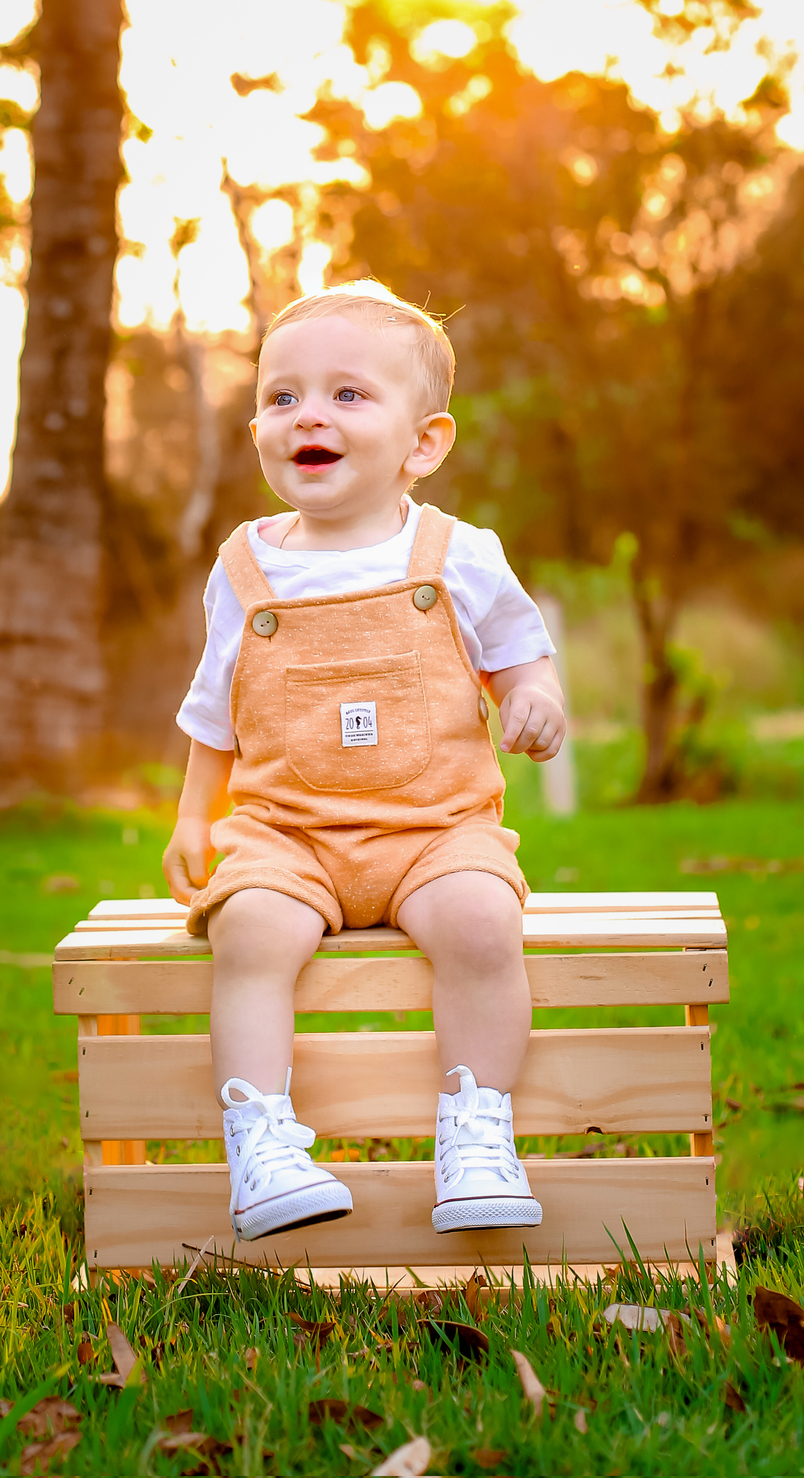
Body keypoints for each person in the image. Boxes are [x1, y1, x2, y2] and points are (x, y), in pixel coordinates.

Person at [163, 279, 567, 1243]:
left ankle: (477, 1130)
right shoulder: (245, 567)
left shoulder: (458, 555)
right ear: (260, 431)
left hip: (437, 831)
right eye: (282, 396)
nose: (308, 414)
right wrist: (191, 816)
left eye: (348, 394)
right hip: (286, 835)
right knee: (248, 932)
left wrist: (536, 698)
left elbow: (523, 654)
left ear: (423, 443)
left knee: (481, 921)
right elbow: (215, 707)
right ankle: (261, 1142)